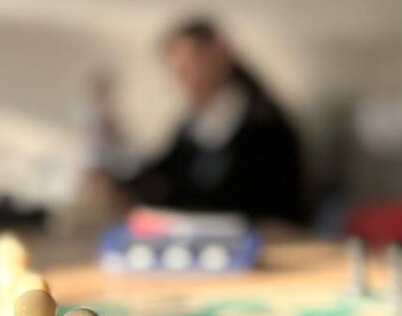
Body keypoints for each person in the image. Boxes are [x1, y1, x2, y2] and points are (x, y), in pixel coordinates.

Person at [91, 18, 305, 222]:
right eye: (176, 70)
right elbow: (165, 171)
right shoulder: (193, 123)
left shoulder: (263, 124)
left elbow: (243, 200)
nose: (181, 79)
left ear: (220, 54)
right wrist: (118, 185)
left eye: (189, 66)